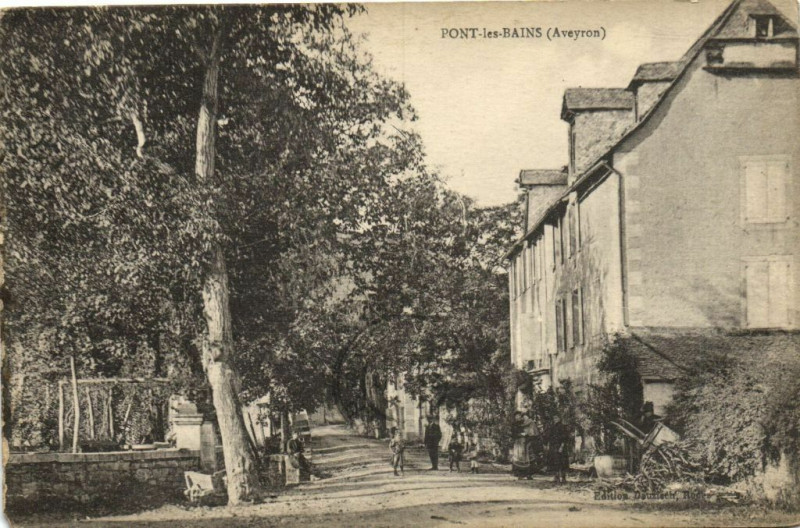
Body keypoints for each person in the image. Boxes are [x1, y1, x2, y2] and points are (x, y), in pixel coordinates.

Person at [548, 415, 572, 484]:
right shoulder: (552, 427)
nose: (555, 419)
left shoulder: (563, 427)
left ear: (559, 418)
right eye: (554, 418)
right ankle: (556, 477)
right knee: (555, 462)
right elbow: (550, 437)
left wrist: (561, 446)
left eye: (556, 418)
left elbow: (565, 438)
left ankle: (563, 478)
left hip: (561, 447)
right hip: (553, 447)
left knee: (562, 462)